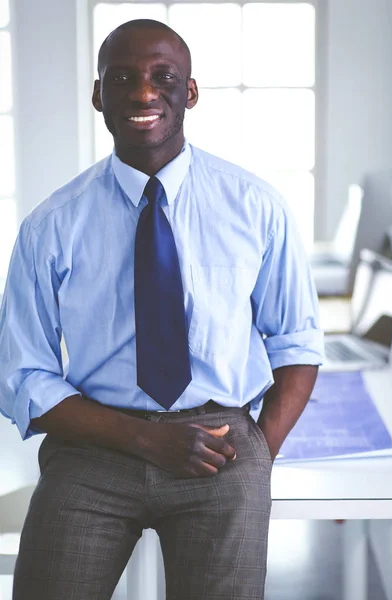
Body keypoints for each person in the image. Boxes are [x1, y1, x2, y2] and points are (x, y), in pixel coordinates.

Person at [0, 18, 324, 600]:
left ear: (190, 92)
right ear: (98, 95)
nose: (143, 93)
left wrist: (256, 455)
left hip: (220, 441)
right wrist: (146, 441)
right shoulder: (51, 227)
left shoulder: (255, 207)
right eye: (121, 79)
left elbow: (296, 345)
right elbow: (22, 376)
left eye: (162, 77)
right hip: (94, 446)